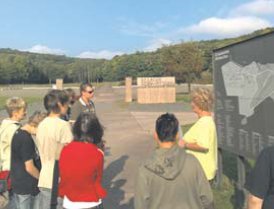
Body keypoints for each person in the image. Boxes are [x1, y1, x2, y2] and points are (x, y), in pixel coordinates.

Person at [134, 113, 214, 209]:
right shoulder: (192, 162)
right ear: (177, 135)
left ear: (155, 135)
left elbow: (140, 204)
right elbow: (207, 198)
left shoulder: (145, 169)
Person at [59, 112, 106, 209]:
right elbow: (98, 179)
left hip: (70, 201)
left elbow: (63, 175)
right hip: (90, 201)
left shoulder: (65, 150)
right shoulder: (98, 153)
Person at [36, 90, 73, 209]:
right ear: (59, 104)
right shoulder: (63, 126)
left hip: (44, 177)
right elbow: (69, 152)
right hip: (58, 178)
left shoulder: (42, 124)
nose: (68, 106)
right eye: (67, 104)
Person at [179, 87, 217, 181]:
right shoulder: (206, 121)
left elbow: (203, 146)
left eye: (193, 101)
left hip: (202, 172)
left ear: (198, 104)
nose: (191, 104)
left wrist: (185, 144)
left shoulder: (204, 123)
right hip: (201, 171)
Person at [10, 111, 46, 209]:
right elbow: (29, 167)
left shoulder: (19, 132)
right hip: (27, 184)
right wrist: (41, 179)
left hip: (20, 181)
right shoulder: (25, 139)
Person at [0, 97, 27, 209]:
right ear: (15, 113)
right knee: (16, 201)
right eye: (23, 110)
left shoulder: (4, 125)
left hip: (5, 168)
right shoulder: (13, 130)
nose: (25, 113)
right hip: (12, 170)